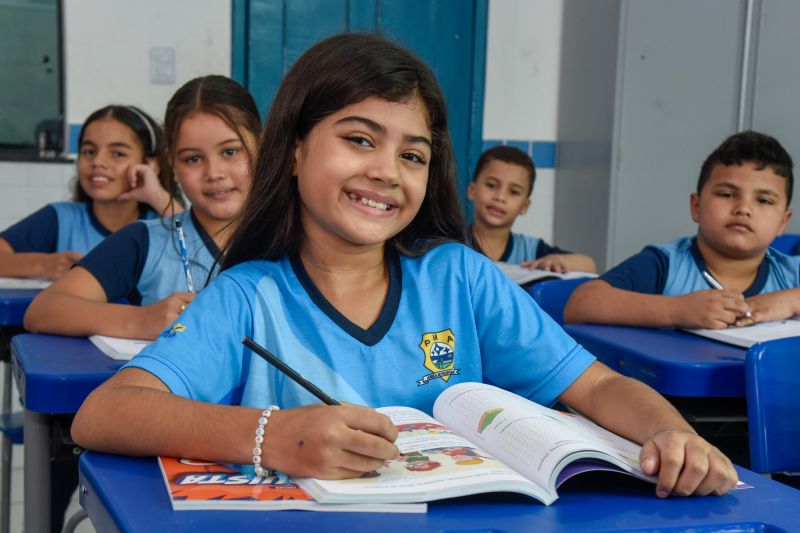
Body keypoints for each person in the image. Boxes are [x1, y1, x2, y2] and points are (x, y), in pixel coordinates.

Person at [72, 33, 736, 500]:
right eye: (359, 139)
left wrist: (672, 433)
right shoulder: (250, 294)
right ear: (295, 150)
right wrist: (273, 435)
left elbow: (596, 388)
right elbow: (104, 414)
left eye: (413, 155)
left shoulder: (459, 277)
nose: (387, 171)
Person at [24, 75, 261, 340]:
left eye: (230, 152)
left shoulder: (294, 239)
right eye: (193, 159)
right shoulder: (144, 241)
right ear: (172, 162)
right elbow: (43, 310)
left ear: (262, 146)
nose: (214, 173)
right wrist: (142, 320)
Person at [564, 130, 799, 329]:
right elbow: (581, 303)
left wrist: (792, 300)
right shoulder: (665, 265)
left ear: (783, 222)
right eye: (727, 194)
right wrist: (678, 309)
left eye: (764, 201)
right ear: (696, 207)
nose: (744, 208)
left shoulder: (791, 274)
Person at [0, 105, 178, 280]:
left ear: (150, 165)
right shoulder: (61, 218)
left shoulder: (162, 224)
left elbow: (201, 249)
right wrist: (44, 264)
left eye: (117, 153)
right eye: (89, 151)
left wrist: (158, 196)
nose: (98, 161)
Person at [467, 145, 596, 273]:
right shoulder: (454, 242)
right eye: (491, 185)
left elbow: (589, 265)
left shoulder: (531, 250)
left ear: (524, 206)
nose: (500, 197)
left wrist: (559, 260)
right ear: (472, 190)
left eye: (514, 192)